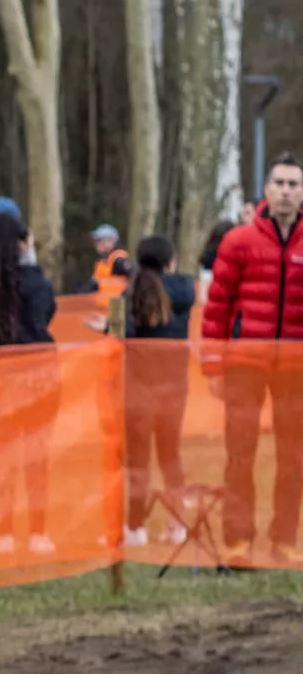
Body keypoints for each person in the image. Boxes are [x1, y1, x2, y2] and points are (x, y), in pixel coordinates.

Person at [203, 154, 303, 565]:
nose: (285, 191)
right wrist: (213, 364)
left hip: (296, 368)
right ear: (265, 190)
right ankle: (238, 541)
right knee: (240, 454)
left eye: (293, 185)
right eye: (279, 183)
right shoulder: (239, 242)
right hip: (244, 362)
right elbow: (217, 307)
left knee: (293, 457)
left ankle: (283, 541)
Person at [0, 214, 59, 556]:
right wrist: (33, 267)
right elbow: (44, 313)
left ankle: (3, 533)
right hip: (39, 377)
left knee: (2, 458)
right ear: (23, 244)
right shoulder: (35, 283)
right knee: (37, 457)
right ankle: (37, 531)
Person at [124, 234, 195, 547]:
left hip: (138, 386)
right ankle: (176, 524)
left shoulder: (135, 292)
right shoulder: (185, 291)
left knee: (138, 460)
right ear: (171, 260)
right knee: (171, 457)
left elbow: (123, 335)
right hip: (174, 387)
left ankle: (135, 526)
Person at [90, 225, 133, 296]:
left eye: (100, 240)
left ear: (111, 241)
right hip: (103, 304)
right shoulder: (103, 261)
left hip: (117, 305)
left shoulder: (119, 259)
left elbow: (134, 276)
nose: (97, 244)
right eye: (96, 241)